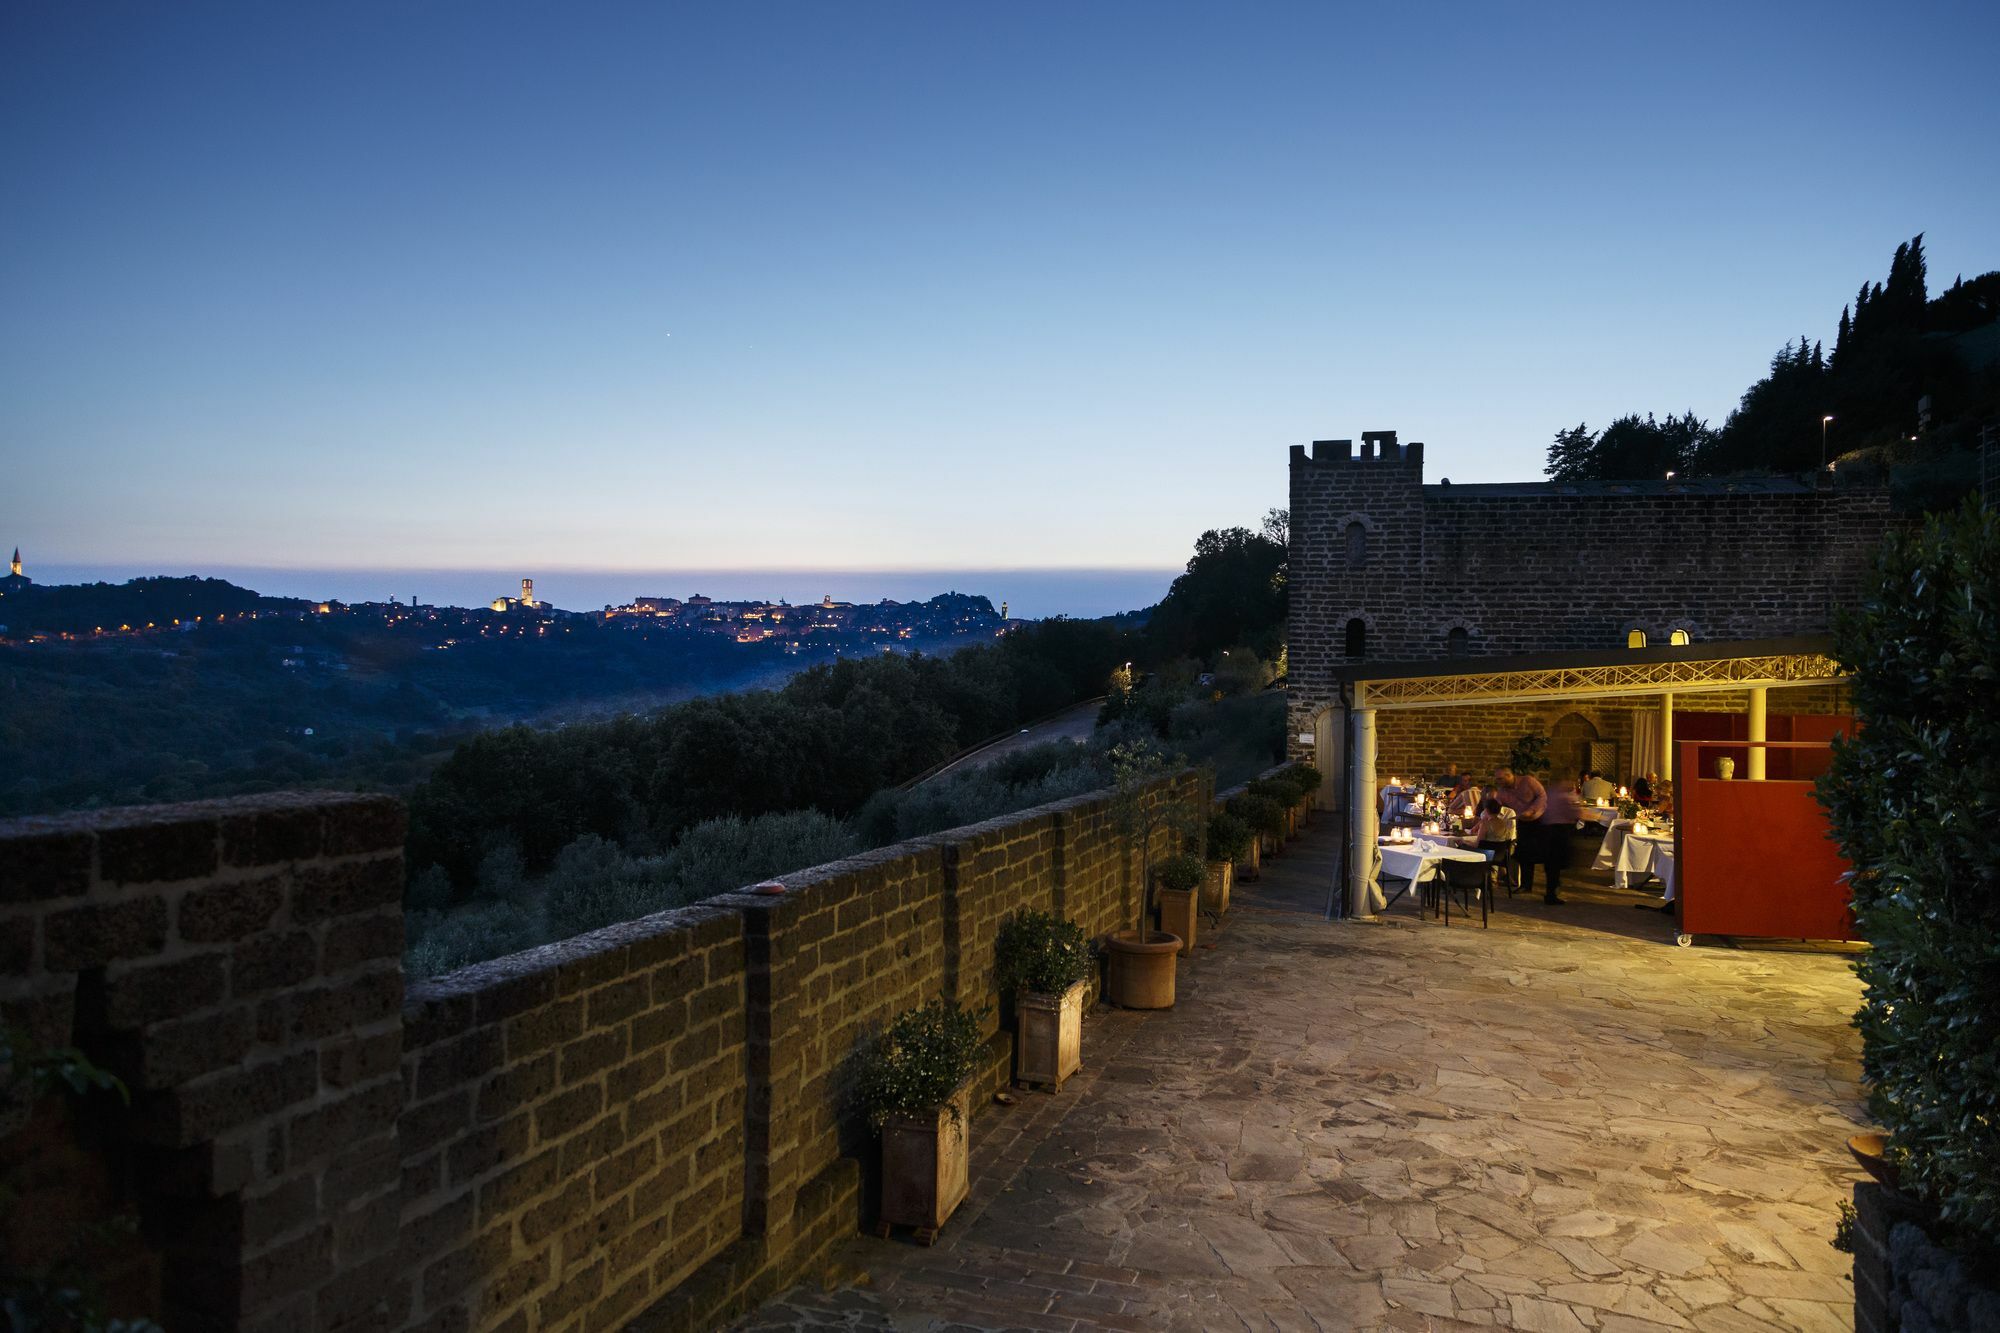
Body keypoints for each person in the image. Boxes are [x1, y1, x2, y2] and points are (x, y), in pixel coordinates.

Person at [1494, 765, 1564, 906]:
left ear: (1509, 775)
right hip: (1523, 822)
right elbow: (1499, 806)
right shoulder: (1502, 791)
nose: (1498, 782)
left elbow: (1542, 795)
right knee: (1525, 853)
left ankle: (1552, 889)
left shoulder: (1528, 781)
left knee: (1546, 855)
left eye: (1500, 779)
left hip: (1541, 820)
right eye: (1497, 779)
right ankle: (1526, 885)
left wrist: (1532, 810)